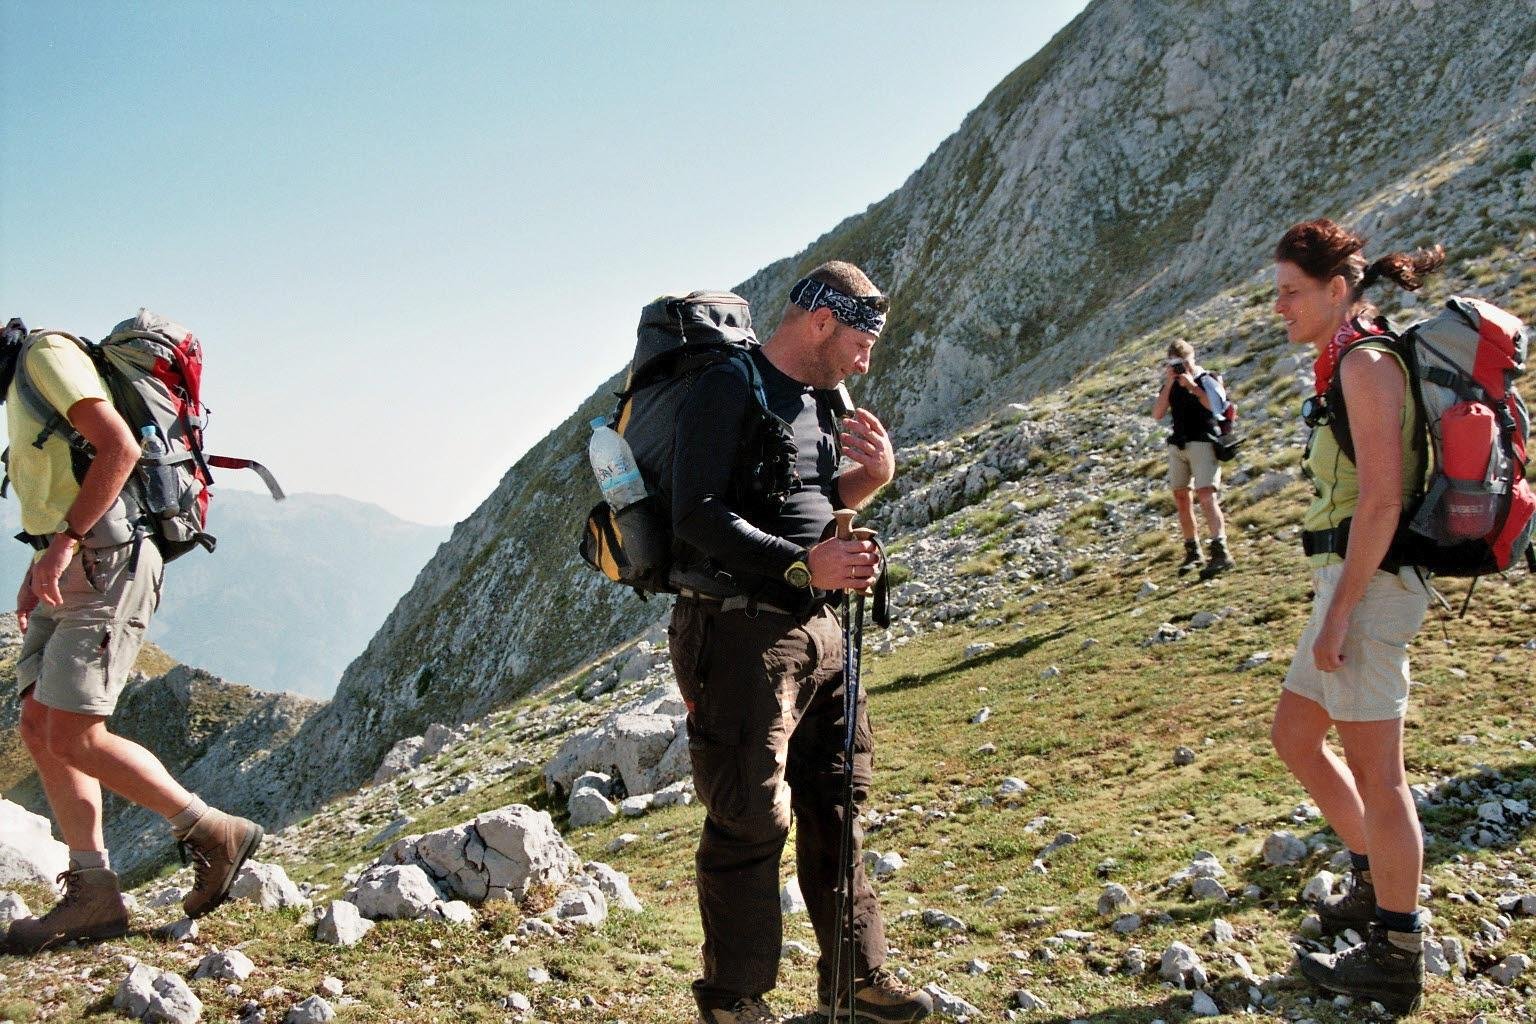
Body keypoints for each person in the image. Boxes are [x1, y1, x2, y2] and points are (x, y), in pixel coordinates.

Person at [667, 262, 931, 1024]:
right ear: (819, 323)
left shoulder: (825, 399)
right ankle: (733, 1000)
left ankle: (857, 979)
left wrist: (869, 483)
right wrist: (799, 563)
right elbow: (697, 512)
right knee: (752, 816)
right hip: (740, 631)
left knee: (837, 801)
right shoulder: (728, 387)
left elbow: (806, 505)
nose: (865, 359)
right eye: (859, 340)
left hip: (821, 630)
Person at [3, 320, 263, 954]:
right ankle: (93, 894)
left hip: (106, 561)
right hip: (71, 563)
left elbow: (117, 447)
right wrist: (42, 560)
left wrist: (62, 544)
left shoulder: (44, 356)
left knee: (74, 733)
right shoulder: (20, 377)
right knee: (38, 726)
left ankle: (211, 831)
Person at [1267, 219, 1446, 1013]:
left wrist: (1340, 614)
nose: (1279, 308)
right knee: (1295, 736)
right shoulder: (1342, 360)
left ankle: (1397, 953)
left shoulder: (1368, 365)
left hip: (1369, 589)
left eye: (1291, 293)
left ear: (1338, 290)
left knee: (1382, 775)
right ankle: (1375, 882)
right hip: (1347, 582)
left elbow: (1381, 500)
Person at [1150, 340, 1234, 578]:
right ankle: (1193, 550)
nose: (1180, 367)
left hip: (1203, 441)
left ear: (1192, 358)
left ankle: (1220, 550)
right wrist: (1169, 383)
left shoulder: (1207, 378)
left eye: (1183, 362)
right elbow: (1157, 413)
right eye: (1174, 363)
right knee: (1181, 496)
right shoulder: (1172, 384)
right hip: (1179, 443)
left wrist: (1192, 387)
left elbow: (1216, 406)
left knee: (1206, 494)